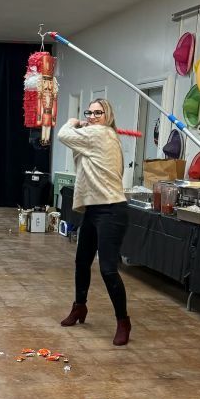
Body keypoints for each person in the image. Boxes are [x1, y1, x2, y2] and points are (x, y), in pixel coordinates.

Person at [56, 99, 131, 346]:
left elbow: (63, 134)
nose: (93, 116)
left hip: (111, 210)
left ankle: (123, 322)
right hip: (94, 209)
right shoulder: (100, 136)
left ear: (107, 115)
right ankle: (79, 307)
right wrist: (82, 126)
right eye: (89, 112)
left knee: (108, 269)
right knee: (81, 262)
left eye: (98, 112)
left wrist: (73, 121)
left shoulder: (99, 134)